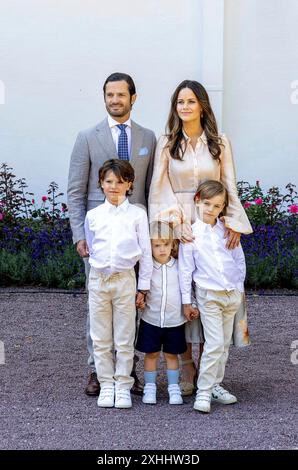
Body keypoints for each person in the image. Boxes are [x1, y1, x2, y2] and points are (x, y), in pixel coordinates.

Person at [149, 80, 253, 396]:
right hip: (180, 225)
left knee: (213, 291)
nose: (185, 107)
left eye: (191, 101)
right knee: (183, 297)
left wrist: (234, 222)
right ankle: (187, 367)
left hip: (214, 223)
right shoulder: (167, 142)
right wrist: (175, 223)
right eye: (180, 102)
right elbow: (159, 186)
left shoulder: (220, 142)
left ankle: (212, 376)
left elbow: (229, 184)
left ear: (202, 105)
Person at [67, 72, 156, 396]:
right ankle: (97, 371)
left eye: (121, 94)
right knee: (99, 307)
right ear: (104, 97)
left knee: (134, 302)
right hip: (99, 238)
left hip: (135, 234)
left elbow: (150, 190)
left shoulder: (148, 138)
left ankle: (126, 370)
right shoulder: (87, 137)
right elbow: (76, 191)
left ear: (133, 97)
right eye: (110, 95)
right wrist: (80, 235)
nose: (115, 100)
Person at [84, 159, 152, 408]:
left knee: (124, 336)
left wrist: (143, 287)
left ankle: (123, 383)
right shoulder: (93, 215)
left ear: (129, 184)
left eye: (120, 182)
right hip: (99, 280)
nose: (114, 186)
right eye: (109, 181)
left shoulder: (137, 214)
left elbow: (145, 253)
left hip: (125, 280)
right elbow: (91, 247)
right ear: (101, 183)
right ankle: (106, 383)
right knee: (100, 336)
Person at [179, 180, 247, 413]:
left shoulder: (227, 230)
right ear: (197, 200)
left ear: (222, 207)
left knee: (224, 345)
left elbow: (239, 260)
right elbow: (185, 270)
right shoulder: (191, 234)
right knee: (215, 343)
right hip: (209, 296)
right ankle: (204, 391)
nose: (211, 209)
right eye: (207, 203)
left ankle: (215, 385)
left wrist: (238, 287)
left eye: (217, 206)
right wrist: (187, 301)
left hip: (231, 295)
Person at [136, 222, 193, 405]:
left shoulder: (179, 266)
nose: (162, 249)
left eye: (166, 244)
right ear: (149, 246)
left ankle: (173, 388)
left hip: (174, 321)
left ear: (173, 245)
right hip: (151, 319)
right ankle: (150, 388)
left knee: (171, 355)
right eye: (157, 245)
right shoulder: (147, 268)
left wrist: (192, 304)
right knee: (151, 354)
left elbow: (187, 287)